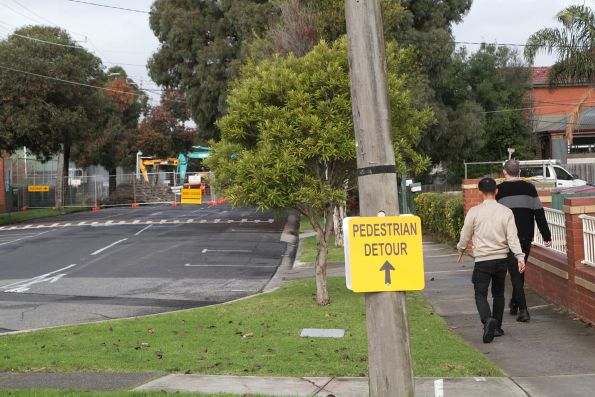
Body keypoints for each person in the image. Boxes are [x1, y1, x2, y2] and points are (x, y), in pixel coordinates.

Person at [457, 177, 525, 343]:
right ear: (496, 191)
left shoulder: (474, 212)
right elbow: (512, 238)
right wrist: (520, 257)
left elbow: (465, 234)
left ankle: (487, 320)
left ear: (480, 192)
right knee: (498, 294)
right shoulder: (506, 212)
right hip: (501, 259)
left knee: (480, 294)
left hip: (482, 260)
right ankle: (498, 327)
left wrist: (460, 248)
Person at [496, 160, 552, 322]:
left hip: (507, 238)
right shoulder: (530, 188)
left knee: (515, 272)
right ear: (519, 172)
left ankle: (523, 309)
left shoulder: (499, 191)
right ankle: (515, 302)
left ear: (505, 172)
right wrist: (546, 236)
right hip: (526, 236)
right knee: (519, 270)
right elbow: (539, 213)